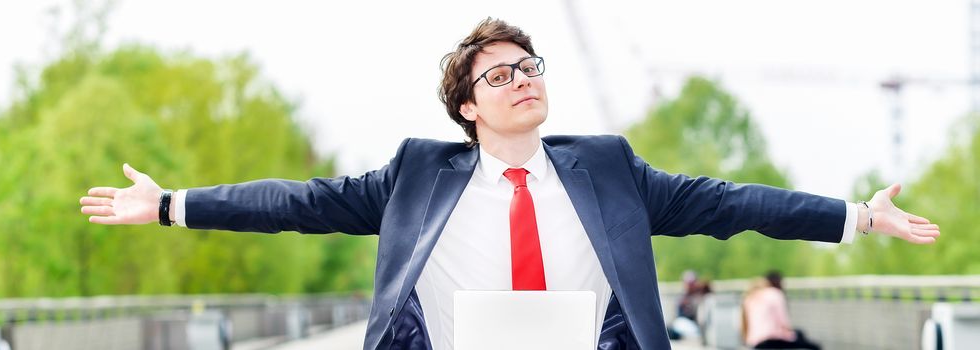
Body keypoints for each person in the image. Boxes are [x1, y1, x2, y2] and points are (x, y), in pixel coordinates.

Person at [79, 18, 941, 350]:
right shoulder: (420, 173)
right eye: (499, 76)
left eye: (529, 65)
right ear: (466, 108)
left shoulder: (606, 165)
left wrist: (854, 218)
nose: (523, 79)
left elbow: (727, 204)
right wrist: (166, 205)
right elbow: (301, 204)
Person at [742, 275, 820, 349]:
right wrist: (791, 335)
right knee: (813, 345)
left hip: (754, 342)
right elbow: (783, 323)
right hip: (772, 340)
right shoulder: (775, 293)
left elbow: (745, 325)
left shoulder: (749, 298)